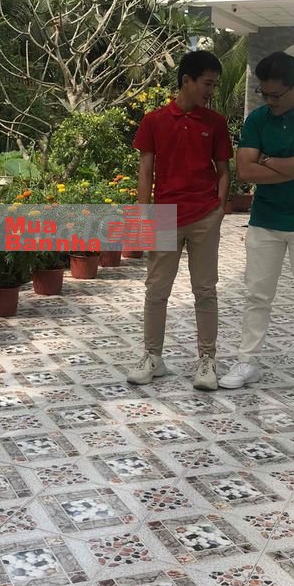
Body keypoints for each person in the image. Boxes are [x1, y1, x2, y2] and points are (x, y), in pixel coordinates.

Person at [218, 51, 294, 407]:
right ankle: (248, 362)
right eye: (264, 93)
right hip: (265, 220)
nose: (269, 101)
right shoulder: (257, 119)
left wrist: (268, 160)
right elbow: (246, 171)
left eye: (276, 95)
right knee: (256, 296)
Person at [127, 50, 232, 390]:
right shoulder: (154, 121)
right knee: (156, 290)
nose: (211, 91)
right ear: (187, 80)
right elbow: (145, 170)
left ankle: (207, 360)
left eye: (214, 85)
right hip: (164, 215)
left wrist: (218, 209)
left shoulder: (215, 123)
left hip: (204, 216)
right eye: (207, 83)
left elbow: (223, 170)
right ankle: (152, 357)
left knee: (205, 290)